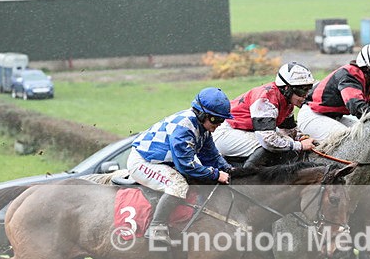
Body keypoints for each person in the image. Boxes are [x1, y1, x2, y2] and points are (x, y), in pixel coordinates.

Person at [127, 87, 234, 244]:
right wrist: (216, 175)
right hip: (143, 162)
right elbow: (187, 166)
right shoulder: (184, 128)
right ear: (202, 114)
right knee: (177, 185)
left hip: (163, 162)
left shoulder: (202, 129)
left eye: (222, 120)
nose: (219, 124)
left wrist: (231, 171)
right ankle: (156, 226)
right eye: (215, 120)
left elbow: (211, 156)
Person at [214, 62, 317, 167]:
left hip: (244, 130)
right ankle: (248, 177)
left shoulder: (286, 101)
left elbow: (289, 130)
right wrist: (300, 145)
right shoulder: (265, 100)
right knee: (269, 146)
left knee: (286, 142)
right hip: (226, 131)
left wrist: (302, 138)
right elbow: (268, 141)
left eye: (308, 89)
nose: (305, 95)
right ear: (287, 88)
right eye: (301, 90)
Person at [297, 43, 370, 142]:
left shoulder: (364, 80)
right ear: (369, 69)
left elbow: (367, 108)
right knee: (348, 141)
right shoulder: (350, 76)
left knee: (368, 135)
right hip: (312, 116)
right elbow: (356, 107)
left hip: (329, 117)